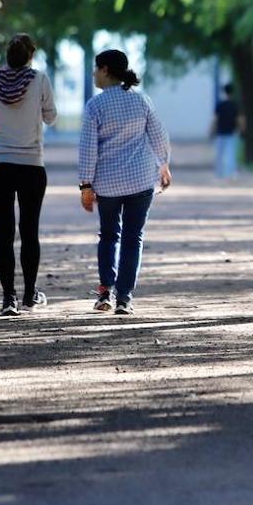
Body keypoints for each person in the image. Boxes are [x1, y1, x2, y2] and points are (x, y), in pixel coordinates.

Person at [78, 49, 173, 315]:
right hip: (141, 182)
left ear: (106, 70)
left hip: (107, 184)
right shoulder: (141, 100)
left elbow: (88, 149)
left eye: (96, 69)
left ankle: (105, 291)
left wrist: (86, 185)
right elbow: (159, 136)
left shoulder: (94, 105)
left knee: (109, 235)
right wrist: (163, 165)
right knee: (133, 237)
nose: (94, 74)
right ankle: (124, 298)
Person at [0, 33, 58, 316]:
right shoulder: (39, 79)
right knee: (29, 231)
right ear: (30, 56)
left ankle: (8, 298)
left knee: (3, 232)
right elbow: (51, 116)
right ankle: (29, 295)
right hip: (31, 164)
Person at [211, 83, 243, 179]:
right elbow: (240, 120)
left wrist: (212, 130)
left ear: (224, 92)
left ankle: (219, 173)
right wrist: (241, 130)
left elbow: (215, 120)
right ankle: (231, 174)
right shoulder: (235, 105)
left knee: (219, 154)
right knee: (231, 154)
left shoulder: (220, 105)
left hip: (220, 132)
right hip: (232, 132)